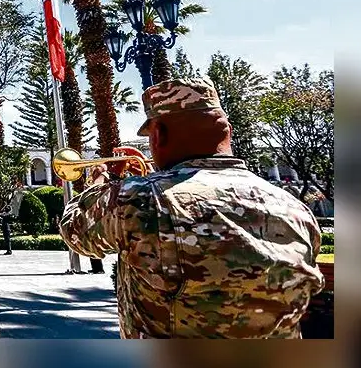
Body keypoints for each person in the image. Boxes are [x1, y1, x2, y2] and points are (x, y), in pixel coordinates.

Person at [60, 78, 325, 339]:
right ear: (227, 131)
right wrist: (154, 178)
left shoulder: (138, 198)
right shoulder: (296, 210)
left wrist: (98, 182)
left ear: (158, 135)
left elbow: (75, 231)